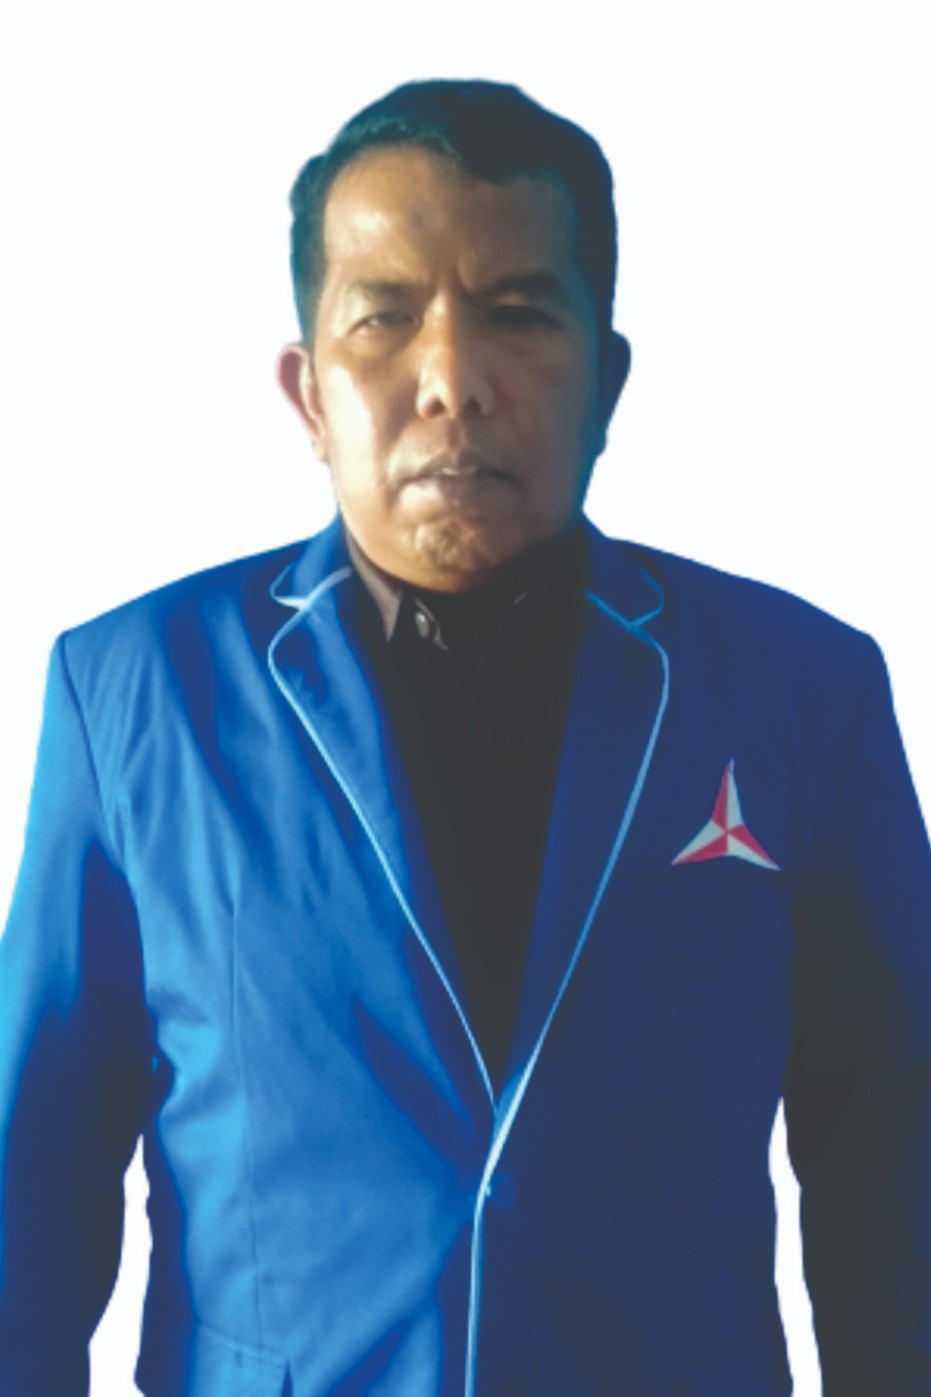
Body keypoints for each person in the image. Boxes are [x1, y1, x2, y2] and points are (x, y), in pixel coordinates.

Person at [0, 77, 929, 1397]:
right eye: (384, 316)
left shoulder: (799, 693)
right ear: (309, 391)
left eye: (520, 312)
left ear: (607, 380)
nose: (452, 381)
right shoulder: (136, 695)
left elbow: (897, 1153)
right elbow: (27, 1186)